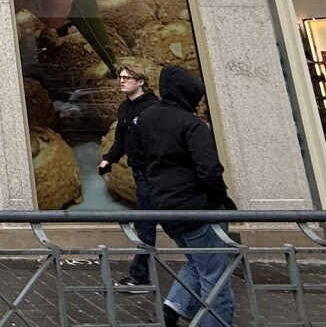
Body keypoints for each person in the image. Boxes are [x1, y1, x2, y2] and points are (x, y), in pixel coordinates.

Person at [133, 66, 237, 327]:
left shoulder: (146, 119)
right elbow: (210, 170)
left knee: (197, 261)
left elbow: (138, 161)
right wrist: (220, 200)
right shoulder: (192, 125)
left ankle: (174, 306)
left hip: (167, 208)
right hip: (198, 209)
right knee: (216, 278)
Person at [97, 61, 160, 287]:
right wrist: (108, 159)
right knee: (146, 222)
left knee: (147, 223)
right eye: (120, 78)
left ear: (140, 81)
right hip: (139, 172)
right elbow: (121, 140)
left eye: (127, 78)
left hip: (155, 173)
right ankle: (141, 275)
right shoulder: (124, 108)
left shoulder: (153, 108)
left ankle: (140, 276)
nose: (122, 81)